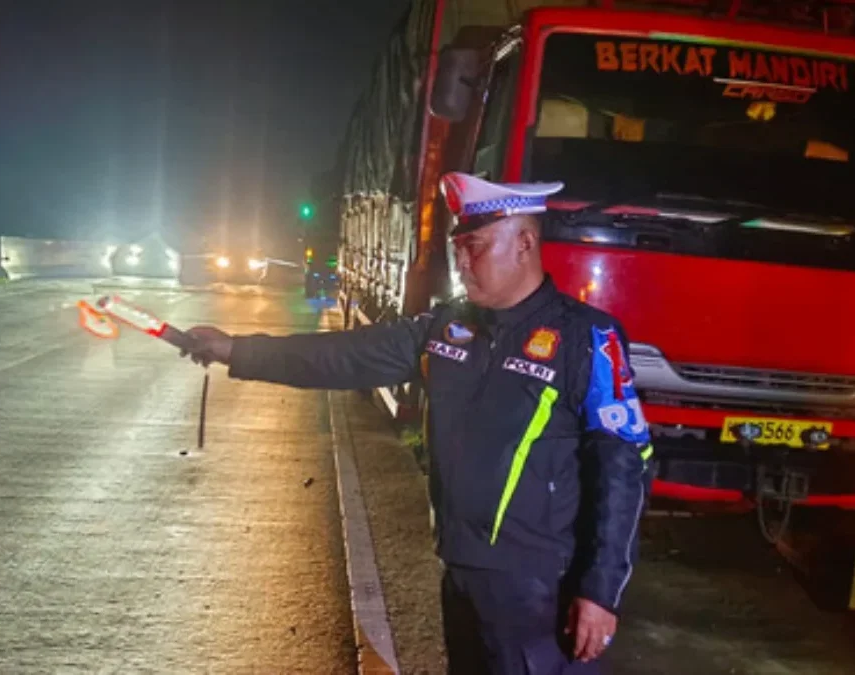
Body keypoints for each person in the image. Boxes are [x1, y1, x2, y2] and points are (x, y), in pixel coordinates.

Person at [183, 172, 653, 674]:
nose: (463, 262)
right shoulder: (448, 329)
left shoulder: (586, 339)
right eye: (459, 248)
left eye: (476, 246)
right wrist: (237, 350)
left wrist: (600, 591)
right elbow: (342, 357)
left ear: (524, 242)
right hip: (460, 573)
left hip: (541, 589)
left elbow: (623, 469)